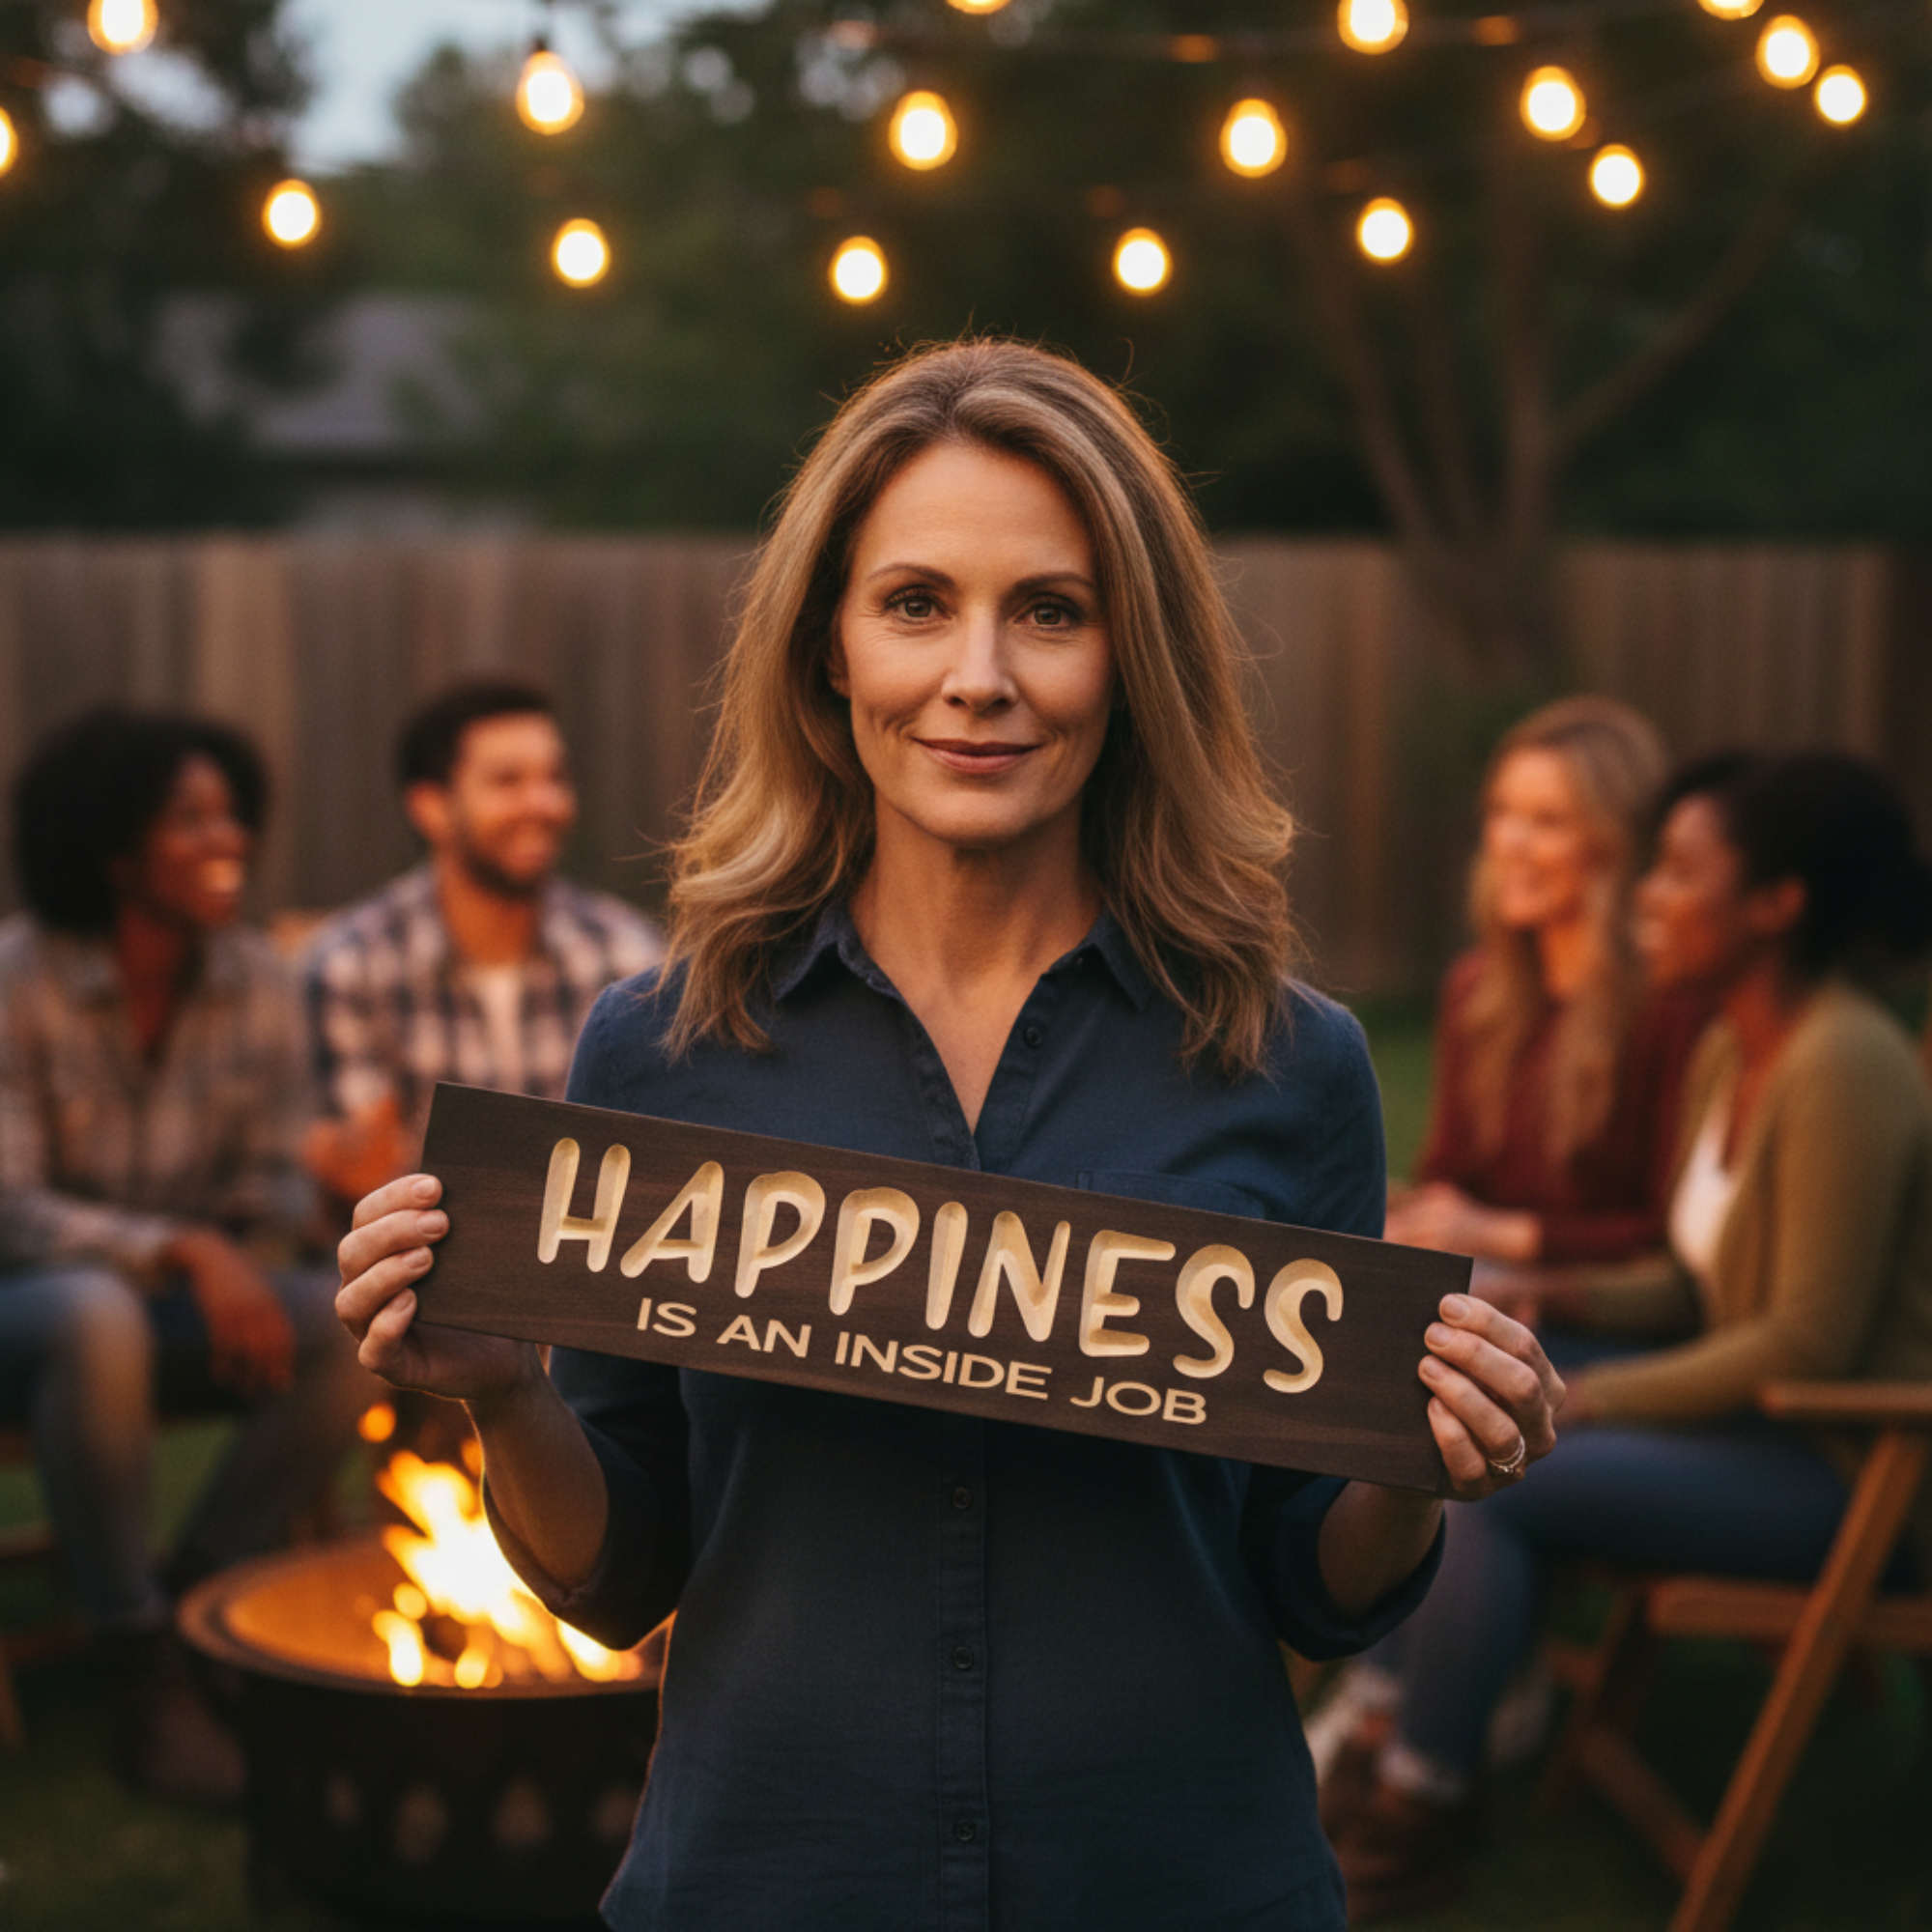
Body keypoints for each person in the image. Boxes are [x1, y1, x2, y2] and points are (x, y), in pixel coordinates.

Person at [334, 339, 1562, 1930]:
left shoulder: (1290, 1063)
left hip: (1180, 1884)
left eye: (1048, 610)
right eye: (916, 603)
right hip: (764, 1881)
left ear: (1132, 659)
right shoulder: (660, 1046)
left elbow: (1303, 1587)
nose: (978, 674)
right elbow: (621, 1569)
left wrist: (1417, 1469)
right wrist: (505, 1397)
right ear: (830, 650)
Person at [1328, 750, 1932, 1922]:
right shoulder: (1729, 1044)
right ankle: (1388, 1715)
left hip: (1853, 1471)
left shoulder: (1845, 1061)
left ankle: (1420, 1803)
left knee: (1494, 1471)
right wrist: (1546, 1295)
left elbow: (1803, 1340)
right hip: (1748, 1425)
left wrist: (1591, 1399)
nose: (1645, 897)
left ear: (1774, 904)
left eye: (1676, 873)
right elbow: (1685, 1276)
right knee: (1437, 1400)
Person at [0, 708, 373, 1799]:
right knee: (88, 1310)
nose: (230, 839)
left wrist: (315, 1189)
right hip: (30, 1309)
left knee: (359, 1319)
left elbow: (269, 1185)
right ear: (113, 851)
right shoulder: (16, 980)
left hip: (169, 1310)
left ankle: (206, 1600)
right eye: (189, 819)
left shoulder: (256, 979)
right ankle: (137, 1666)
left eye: (232, 813)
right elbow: (8, 1201)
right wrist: (179, 1247)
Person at [302, 678, 663, 1204]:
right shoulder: (353, 965)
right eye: (507, 781)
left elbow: (653, 1156)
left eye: (555, 778)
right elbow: (370, 1179)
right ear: (431, 807)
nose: (543, 803)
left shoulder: (629, 955)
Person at [1386, 696, 1711, 1275]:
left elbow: (1669, 1237)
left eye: (1548, 821)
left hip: (1604, 1315)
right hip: (1485, 1286)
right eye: (1502, 812)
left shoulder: (1673, 1007)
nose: (1509, 842)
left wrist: (1508, 1235)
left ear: (1615, 843)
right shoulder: (1475, 989)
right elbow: (1448, 1177)